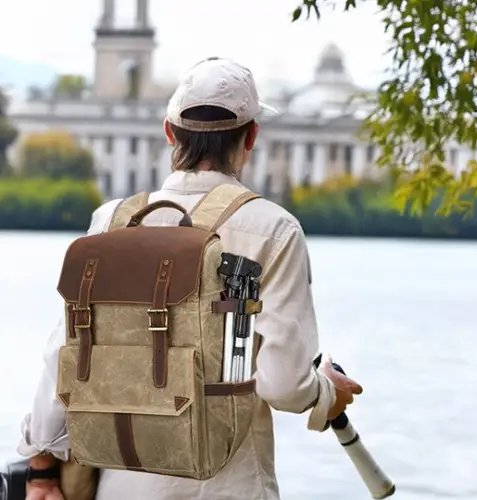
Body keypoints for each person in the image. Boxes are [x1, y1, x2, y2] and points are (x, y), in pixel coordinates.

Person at [19, 57, 363, 500]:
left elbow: (63, 356)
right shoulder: (273, 229)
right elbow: (284, 387)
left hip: (122, 484)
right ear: (251, 136)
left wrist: (41, 470)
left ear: (169, 134)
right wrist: (325, 393)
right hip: (229, 487)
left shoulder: (111, 221)